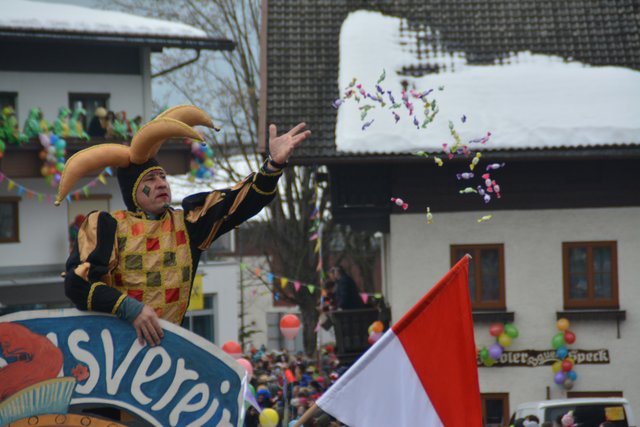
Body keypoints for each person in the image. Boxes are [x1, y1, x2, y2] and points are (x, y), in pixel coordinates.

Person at [61, 105, 310, 346]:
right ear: (133, 192)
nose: (161, 183)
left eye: (163, 177)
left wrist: (273, 165)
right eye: (150, 179)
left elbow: (239, 202)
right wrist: (129, 308)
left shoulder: (189, 223)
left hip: (166, 353)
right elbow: (77, 284)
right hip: (113, 349)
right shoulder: (107, 226)